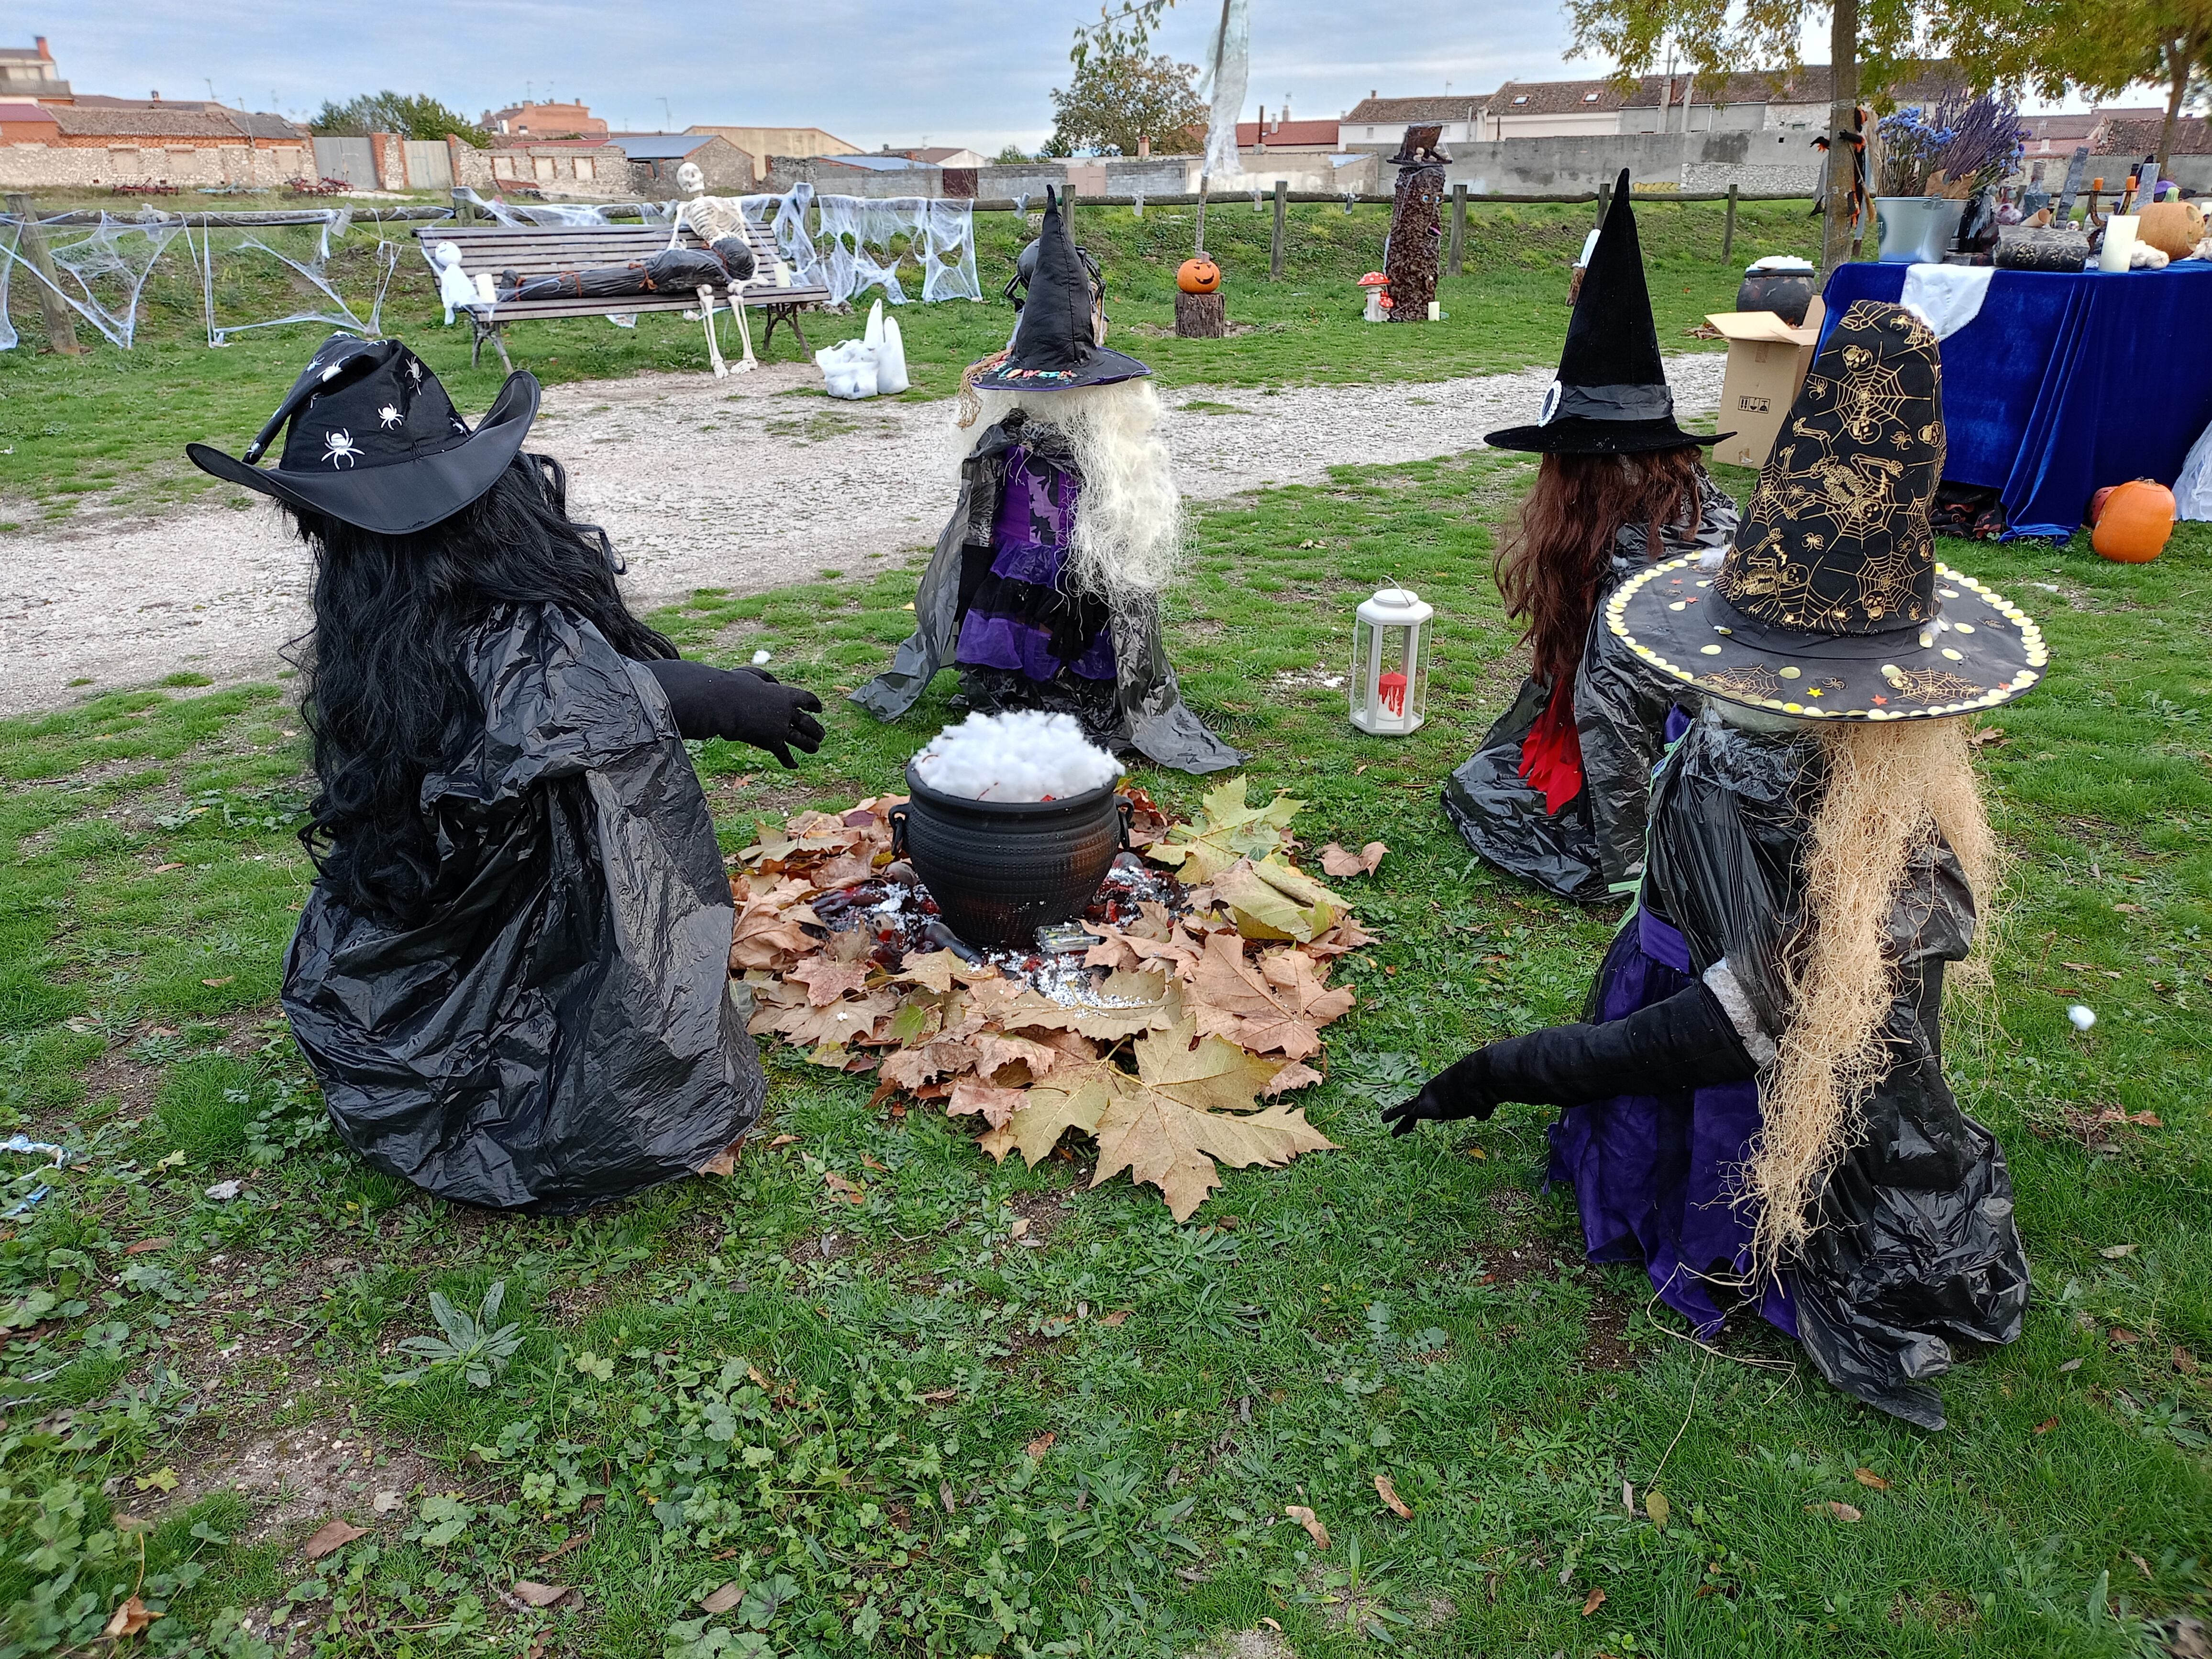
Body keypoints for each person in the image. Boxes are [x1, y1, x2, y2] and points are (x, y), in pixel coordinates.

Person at [1389, 302, 2049, 1428]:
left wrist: (1513, 1067)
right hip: (1667, 953)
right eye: (1747, 670)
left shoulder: (1894, 866)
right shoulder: (1728, 728)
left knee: (1736, 1098)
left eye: (1793, 684)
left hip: (1769, 1065)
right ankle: (1635, 1180)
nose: (1751, 696)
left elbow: (1721, 1026)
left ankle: (1731, 1230)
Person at [187, 335, 825, 1212]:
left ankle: (525, 1004)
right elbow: (558, 692)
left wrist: (701, 693)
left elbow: (566, 685)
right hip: (483, 888)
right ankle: (544, 1047)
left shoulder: (388, 613)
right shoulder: (458, 628)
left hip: (472, 882)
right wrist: (713, 698)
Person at [851, 189, 1239, 774]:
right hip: (1014, 553)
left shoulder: (1104, 441)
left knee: (1075, 617)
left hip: (1078, 559)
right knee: (1010, 615)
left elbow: (1121, 510)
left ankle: (1074, 683)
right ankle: (1017, 683)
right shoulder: (1004, 434)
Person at [1443, 173, 1738, 902]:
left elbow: (1618, 709)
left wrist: (1631, 864)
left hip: (1684, 764)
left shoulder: (1656, 553)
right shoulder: (1661, 512)